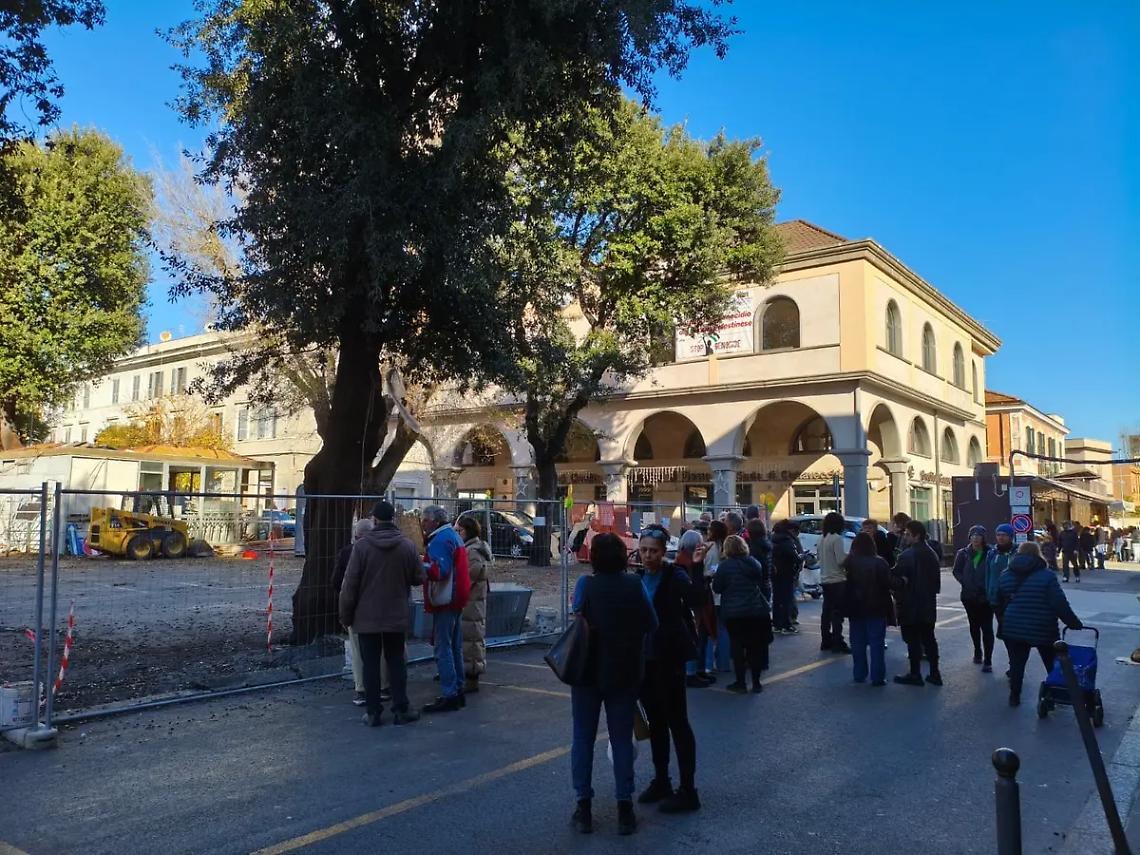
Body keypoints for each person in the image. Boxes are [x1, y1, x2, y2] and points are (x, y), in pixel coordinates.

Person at [568, 533, 658, 836]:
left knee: (582, 739)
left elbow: (577, 615)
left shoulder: (586, 585)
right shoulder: (634, 584)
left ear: (593, 558)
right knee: (621, 740)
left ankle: (583, 807)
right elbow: (651, 622)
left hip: (586, 671)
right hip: (623, 670)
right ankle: (624, 808)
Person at [338, 501, 423, 727]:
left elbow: (350, 585)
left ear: (374, 519)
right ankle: (401, 708)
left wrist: (345, 615)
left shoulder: (362, 547)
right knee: (396, 662)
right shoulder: (406, 545)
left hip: (366, 617)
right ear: (393, 518)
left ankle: (373, 711)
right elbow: (419, 577)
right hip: (396, 614)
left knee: (370, 665)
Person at [636, 526, 702, 814]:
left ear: (664, 553)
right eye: (644, 550)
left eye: (653, 551)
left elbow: (697, 600)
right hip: (645, 659)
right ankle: (661, 779)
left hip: (669, 659)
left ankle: (688, 789)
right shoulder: (637, 578)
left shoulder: (674, 576)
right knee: (656, 722)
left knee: (678, 722)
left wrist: (697, 570)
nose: (647, 556)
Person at [996, 541, 1083, 707]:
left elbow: (997, 599)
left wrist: (1005, 618)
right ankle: (1053, 695)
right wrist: (1073, 623)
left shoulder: (1006, 573)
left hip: (1014, 626)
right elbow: (1059, 603)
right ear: (1038, 554)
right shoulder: (1047, 575)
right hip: (1044, 627)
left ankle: (1014, 696)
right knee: (1052, 664)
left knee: (1016, 665)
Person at [421, 505, 471, 713]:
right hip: (457, 597)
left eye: (425, 520)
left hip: (446, 598)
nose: (422, 524)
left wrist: (420, 565)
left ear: (434, 521)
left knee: (443, 647)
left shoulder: (440, 540)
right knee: (454, 646)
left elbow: (439, 571)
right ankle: (458, 689)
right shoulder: (452, 536)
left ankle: (450, 693)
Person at [712, 535, 771, 694]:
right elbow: (760, 579)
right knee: (755, 647)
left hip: (733, 612)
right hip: (754, 609)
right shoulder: (754, 563)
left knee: (737, 647)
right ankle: (757, 682)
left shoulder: (724, 566)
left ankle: (740, 682)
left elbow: (717, 588)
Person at [892, 521, 943, 687]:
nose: (905, 536)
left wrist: (897, 585)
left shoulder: (907, 555)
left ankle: (915, 674)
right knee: (929, 638)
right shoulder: (931, 553)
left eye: (907, 534)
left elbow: (895, 579)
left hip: (910, 602)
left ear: (916, 536)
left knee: (912, 640)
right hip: (928, 602)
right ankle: (935, 673)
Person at [843, 532, 897, 686]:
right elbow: (888, 583)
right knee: (877, 643)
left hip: (855, 607)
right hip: (876, 606)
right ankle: (877, 677)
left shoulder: (850, 562)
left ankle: (859, 674)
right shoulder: (880, 562)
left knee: (857, 642)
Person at [333, 517, 375, 706]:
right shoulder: (381, 550)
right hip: (378, 606)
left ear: (356, 535)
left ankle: (361, 690)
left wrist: (345, 612)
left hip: (356, 607)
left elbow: (338, 583)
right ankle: (383, 686)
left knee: (358, 651)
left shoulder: (347, 553)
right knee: (379, 649)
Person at [457, 515, 492, 694]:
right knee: (471, 639)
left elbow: (468, 576)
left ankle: (471, 675)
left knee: (471, 640)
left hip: (471, 602)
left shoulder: (472, 552)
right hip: (473, 602)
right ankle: (469, 672)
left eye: (460, 530)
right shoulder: (474, 549)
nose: (458, 534)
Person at [952, 525, 994, 672]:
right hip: (969, 597)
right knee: (974, 626)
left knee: (987, 628)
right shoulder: (963, 553)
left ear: (983, 538)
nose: (975, 538)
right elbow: (956, 571)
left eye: (978, 535)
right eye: (973, 535)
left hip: (986, 597)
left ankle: (988, 659)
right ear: (969, 537)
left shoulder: (990, 553)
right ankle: (977, 650)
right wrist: (965, 581)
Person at [678, 530, 715, 688]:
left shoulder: (685, 558)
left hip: (695, 604)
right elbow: (693, 585)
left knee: (700, 637)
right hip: (693, 606)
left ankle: (697, 670)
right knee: (695, 638)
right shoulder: (686, 561)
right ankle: (691, 673)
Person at [818, 512, 850, 653]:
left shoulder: (821, 539)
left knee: (826, 612)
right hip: (837, 579)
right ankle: (838, 641)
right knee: (837, 613)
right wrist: (850, 557)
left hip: (825, 578)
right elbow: (840, 561)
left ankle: (826, 640)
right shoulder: (837, 539)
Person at [770, 521, 801, 634]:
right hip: (787, 572)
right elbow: (794, 557)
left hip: (775, 572)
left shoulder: (773, 539)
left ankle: (777, 624)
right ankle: (786, 625)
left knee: (777, 599)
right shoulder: (786, 541)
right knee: (787, 599)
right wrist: (802, 557)